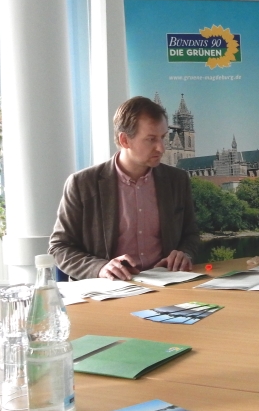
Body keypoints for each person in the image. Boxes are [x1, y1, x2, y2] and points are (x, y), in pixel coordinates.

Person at [49, 96, 199, 281]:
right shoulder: (82, 184)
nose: (161, 148)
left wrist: (185, 253)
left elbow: (191, 235)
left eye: (163, 137)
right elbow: (60, 247)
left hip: (168, 286)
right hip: (107, 293)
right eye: (151, 139)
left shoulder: (177, 180)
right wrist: (100, 268)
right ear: (124, 140)